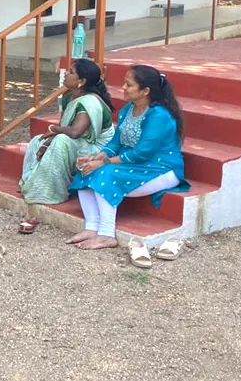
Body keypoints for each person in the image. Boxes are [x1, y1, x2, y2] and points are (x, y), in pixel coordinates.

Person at [67, 64, 189, 250]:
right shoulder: (128, 109)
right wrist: (98, 156)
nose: (123, 87)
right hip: (134, 162)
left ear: (145, 91)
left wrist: (104, 163)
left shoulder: (159, 116)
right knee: (86, 169)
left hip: (161, 168)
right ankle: (92, 227)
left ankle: (107, 234)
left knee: (105, 174)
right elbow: (116, 142)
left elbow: (142, 153)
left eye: (129, 84)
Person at [19, 59, 115, 208]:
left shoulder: (89, 101)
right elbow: (66, 127)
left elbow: (75, 132)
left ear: (81, 81)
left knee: (61, 141)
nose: (65, 74)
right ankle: (32, 183)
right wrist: (46, 143)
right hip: (78, 140)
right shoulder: (69, 97)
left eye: (71, 72)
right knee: (38, 140)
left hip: (97, 148)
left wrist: (55, 130)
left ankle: (53, 192)